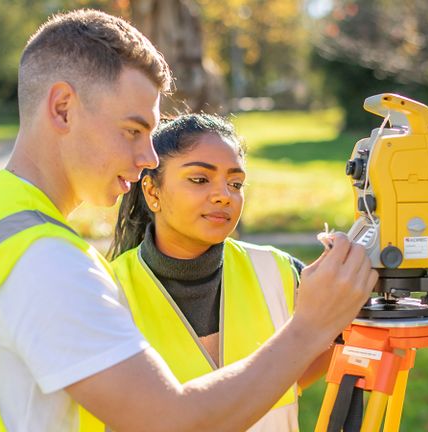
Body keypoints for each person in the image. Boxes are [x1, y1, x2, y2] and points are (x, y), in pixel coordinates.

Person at [0, 9, 378, 432]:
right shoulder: (43, 259)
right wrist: (310, 328)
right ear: (62, 108)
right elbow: (173, 422)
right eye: (133, 131)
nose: (147, 157)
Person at [108, 113, 333, 431]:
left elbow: (328, 346)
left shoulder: (278, 270)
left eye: (235, 183)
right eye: (200, 179)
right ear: (152, 191)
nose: (224, 195)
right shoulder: (108, 290)